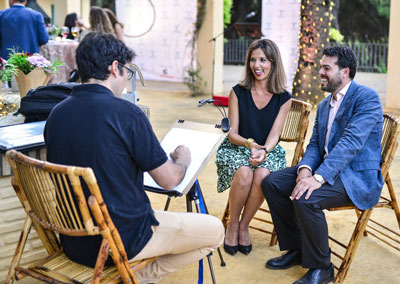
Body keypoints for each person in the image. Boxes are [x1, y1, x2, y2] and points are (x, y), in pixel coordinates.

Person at [44, 32, 224, 284]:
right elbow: (169, 180)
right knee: (216, 231)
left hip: (75, 242)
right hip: (123, 239)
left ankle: (127, 275)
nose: (126, 81)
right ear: (115, 67)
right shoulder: (127, 113)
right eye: (128, 72)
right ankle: (131, 277)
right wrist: (182, 158)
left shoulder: (56, 114)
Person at [262, 46, 383, 284]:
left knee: (306, 197)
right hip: (327, 170)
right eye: (321, 67)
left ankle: (322, 267)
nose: (320, 72)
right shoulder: (326, 104)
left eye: (326, 68)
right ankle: (298, 249)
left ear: (345, 72)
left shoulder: (367, 98)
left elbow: (351, 143)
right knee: (273, 182)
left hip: (355, 177)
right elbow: (317, 144)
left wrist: (316, 179)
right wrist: (305, 169)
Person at [215, 39, 292, 256]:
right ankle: (232, 224)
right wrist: (250, 144)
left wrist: (264, 150)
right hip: (238, 146)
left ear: (273, 63)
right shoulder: (238, 92)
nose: (257, 65)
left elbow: (275, 134)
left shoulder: (284, 98)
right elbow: (232, 133)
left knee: (263, 175)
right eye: (253, 60)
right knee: (245, 173)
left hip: (267, 148)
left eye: (263, 60)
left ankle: (244, 225)